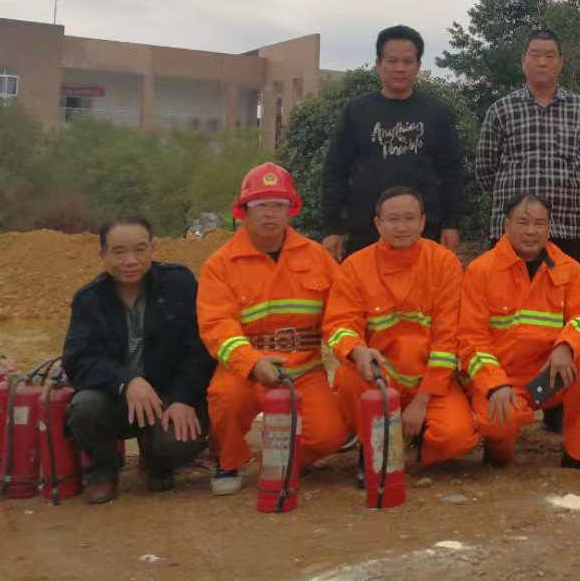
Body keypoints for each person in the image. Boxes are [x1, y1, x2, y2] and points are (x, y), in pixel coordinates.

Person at [196, 163, 351, 495]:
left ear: (290, 210)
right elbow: (217, 328)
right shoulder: (220, 265)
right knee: (226, 400)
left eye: (278, 205)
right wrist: (252, 363)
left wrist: (351, 349)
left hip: (304, 371)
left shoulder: (317, 257)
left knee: (329, 435)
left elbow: (341, 315)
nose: (270, 213)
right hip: (246, 371)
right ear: (244, 211)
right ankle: (228, 459)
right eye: (261, 205)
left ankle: (282, 457)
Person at [325, 186, 478, 478]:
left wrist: (421, 402)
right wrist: (357, 351)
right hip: (378, 377)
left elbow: (448, 340)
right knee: (347, 375)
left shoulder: (444, 263)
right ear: (377, 223)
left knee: (456, 438)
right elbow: (338, 324)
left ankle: (417, 440)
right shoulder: (356, 266)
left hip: (430, 380)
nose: (401, 227)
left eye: (409, 219)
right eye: (393, 219)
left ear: (422, 222)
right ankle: (373, 447)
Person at [61, 218, 214, 503]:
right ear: (103, 254)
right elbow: (78, 360)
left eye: (140, 250)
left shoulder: (178, 284)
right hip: (116, 398)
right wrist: (126, 381)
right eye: (119, 252)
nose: (130, 260)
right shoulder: (89, 299)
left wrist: (183, 398)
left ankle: (157, 463)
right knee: (84, 407)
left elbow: (200, 347)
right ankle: (103, 471)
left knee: (181, 440)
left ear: (153, 248)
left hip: (168, 394)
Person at [458, 192, 580, 468]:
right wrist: (494, 384)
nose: (531, 231)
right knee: (499, 429)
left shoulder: (568, 269)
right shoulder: (481, 271)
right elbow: (471, 340)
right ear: (506, 225)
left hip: (548, 376)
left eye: (539, 224)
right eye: (523, 222)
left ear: (549, 228)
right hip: (503, 380)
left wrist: (567, 346)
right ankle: (498, 445)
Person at [320, 25, 467, 258]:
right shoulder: (356, 111)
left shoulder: (436, 112)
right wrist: (332, 228)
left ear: (418, 66)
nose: (400, 68)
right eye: (392, 61)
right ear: (378, 64)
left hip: (424, 231)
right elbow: (335, 171)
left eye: (408, 61)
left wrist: (452, 223)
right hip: (366, 230)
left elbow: (452, 172)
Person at [476, 29, 580, 266]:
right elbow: (485, 169)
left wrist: (567, 185)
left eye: (549, 55)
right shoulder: (501, 109)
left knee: (564, 288)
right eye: (535, 55)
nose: (542, 62)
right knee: (505, 289)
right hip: (512, 231)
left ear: (560, 62)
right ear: (523, 60)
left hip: (566, 226)